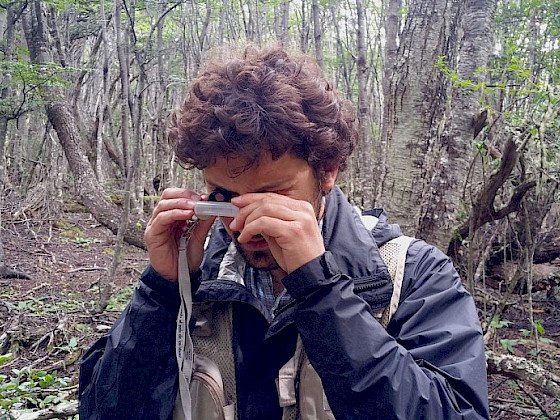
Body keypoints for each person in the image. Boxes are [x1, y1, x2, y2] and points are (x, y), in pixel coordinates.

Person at [78, 45, 489, 420]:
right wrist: (162, 290)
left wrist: (320, 290)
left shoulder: (411, 274)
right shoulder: (193, 276)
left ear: (326, 172)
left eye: (271, 195)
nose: (244, 222)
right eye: (224, 196)